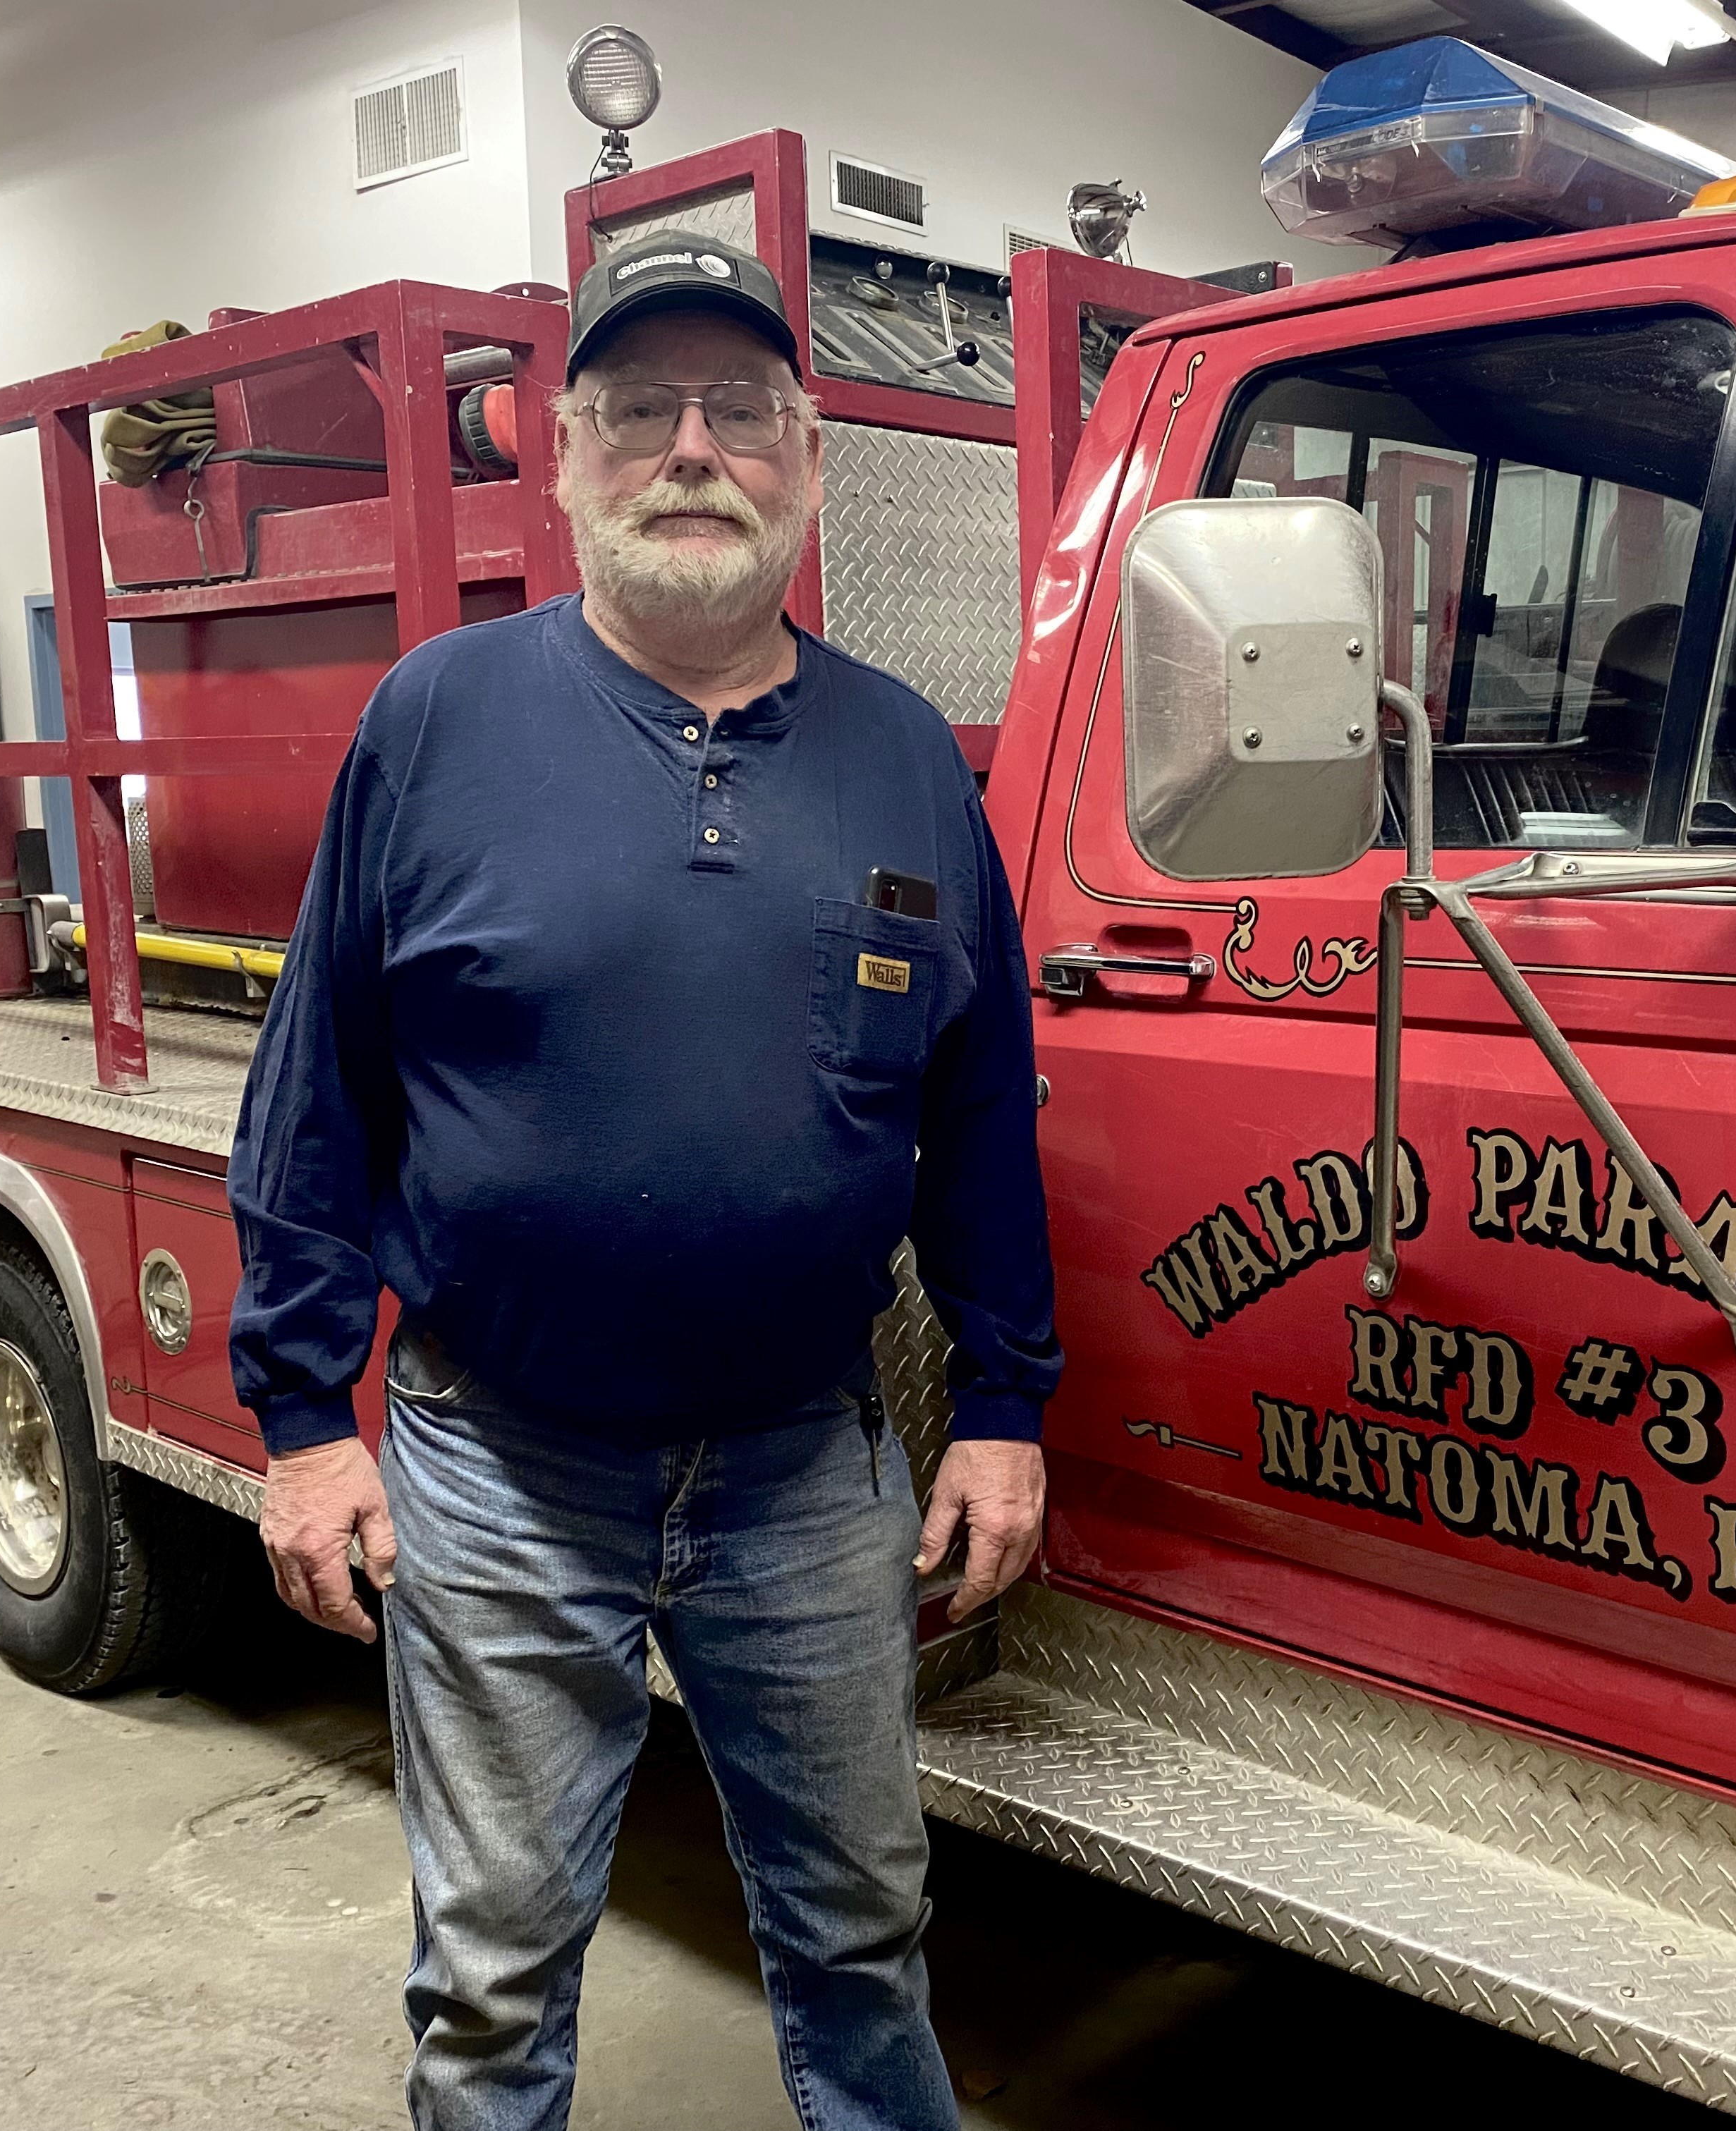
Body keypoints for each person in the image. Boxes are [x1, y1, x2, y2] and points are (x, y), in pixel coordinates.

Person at [226, 228, 1061, 2131]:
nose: (695, 449)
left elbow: (980, 1109)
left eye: (744, 410)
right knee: (495, 1971)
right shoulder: (437, 719)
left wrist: (1006, 1403)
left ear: (810, 460)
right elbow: (316, 1095)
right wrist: (303, 1418)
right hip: (500, 1466)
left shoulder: (906, 756)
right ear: (564, 455)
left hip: (806, 1472)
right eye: (641, 411)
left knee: (862, 1933)